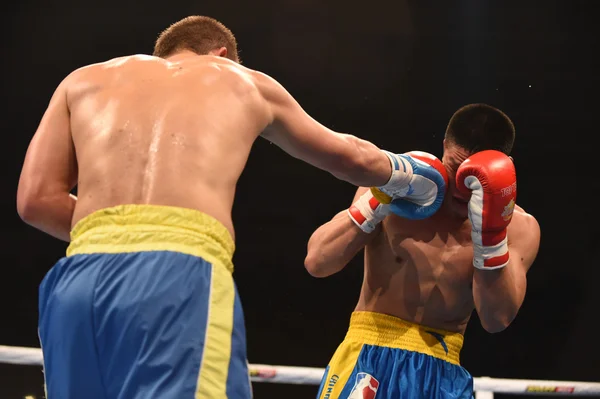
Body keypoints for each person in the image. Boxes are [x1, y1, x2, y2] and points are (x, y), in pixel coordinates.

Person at [16, 15, 447, 399]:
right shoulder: (240, 80)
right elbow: (352, 159)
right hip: (176, 276)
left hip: (76, 281)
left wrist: (115, 230)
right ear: (223, 54)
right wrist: (412, 175)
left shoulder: (83, 80)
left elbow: (36, 202)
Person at [305, 103, 541, 399]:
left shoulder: (519, 228)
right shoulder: (394, 182)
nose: (460, 187)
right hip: (367, 356)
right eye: (456, 168)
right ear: (444, 146)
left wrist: (491, 237)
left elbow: (497, 320)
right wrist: (379, 200)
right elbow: (317, 262)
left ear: (503, 166)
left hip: (442, 371)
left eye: (472, 180)